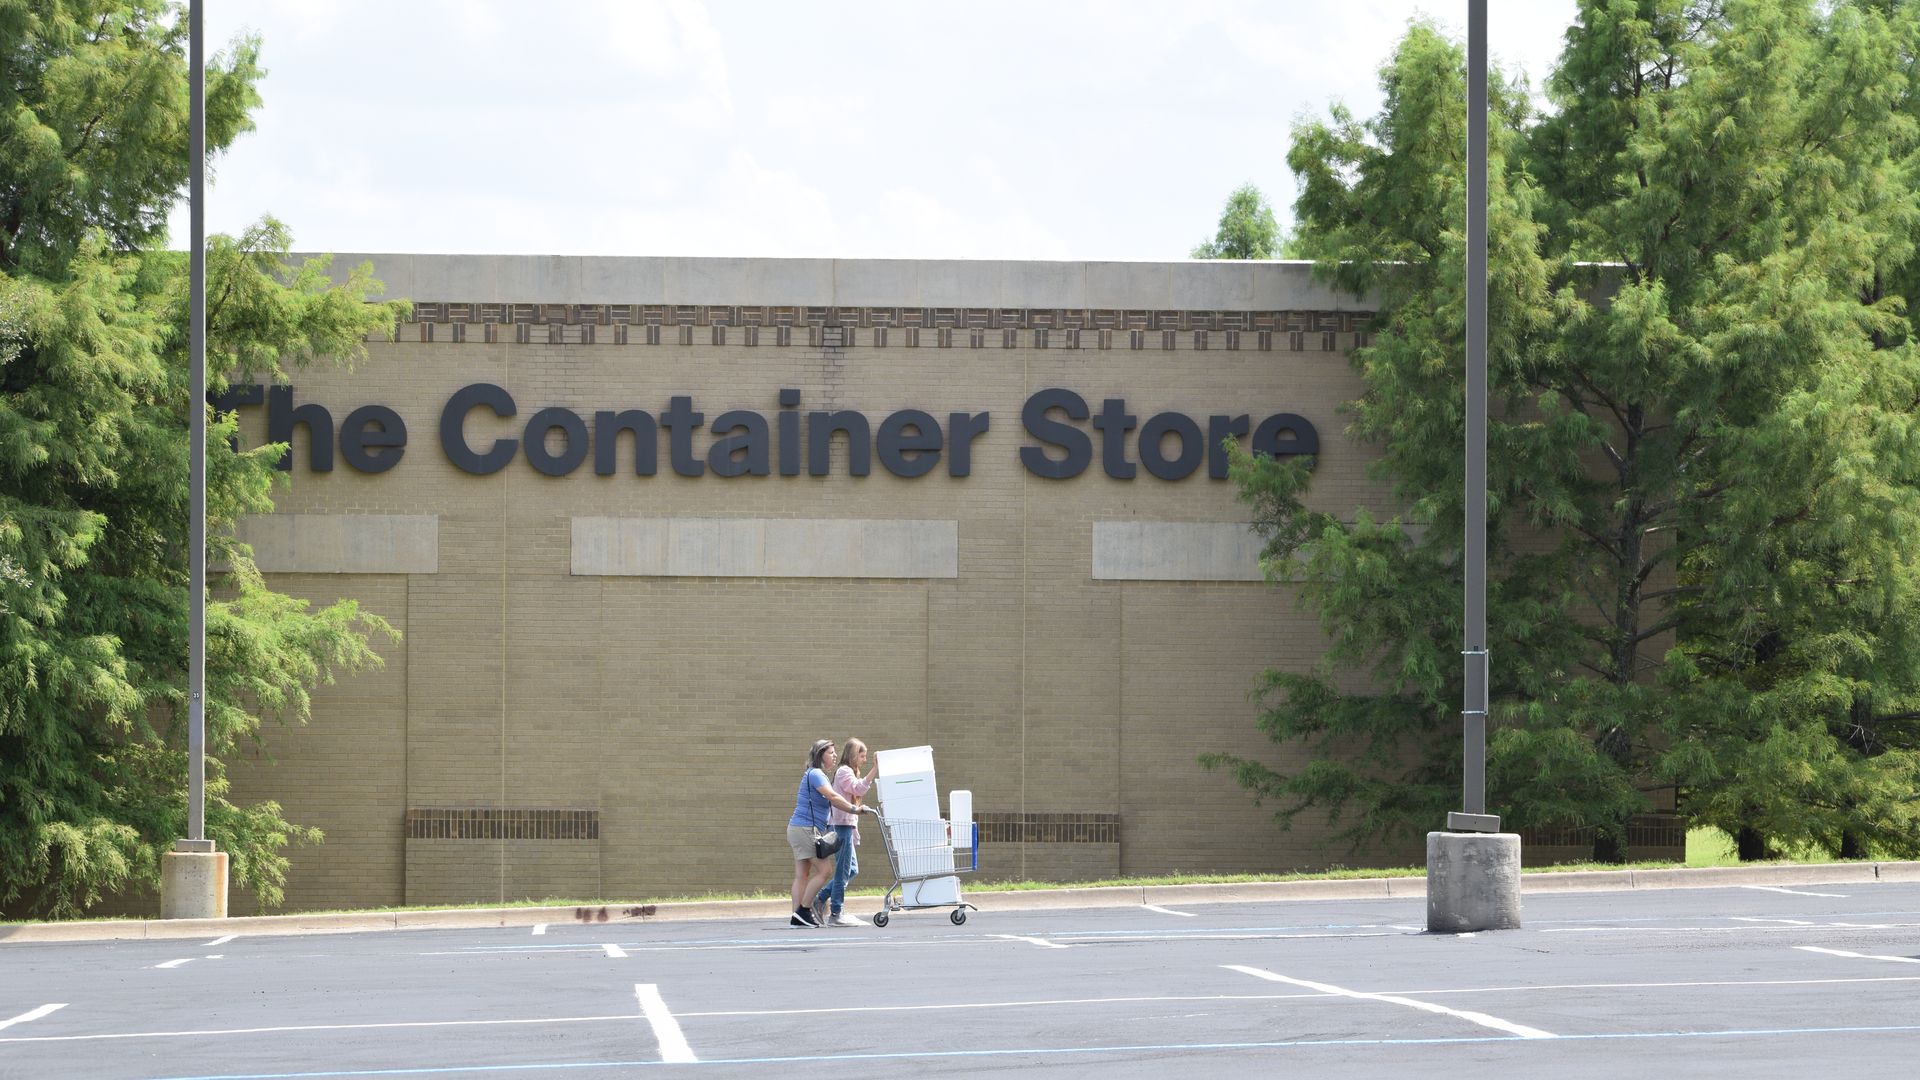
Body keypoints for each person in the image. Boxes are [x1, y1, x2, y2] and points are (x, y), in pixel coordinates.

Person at [786, 739, 865, 928]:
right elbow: (832, 796)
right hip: (806, 829)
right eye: (830, 752)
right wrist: (854, 809)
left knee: (802, 875)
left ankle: (797, 917)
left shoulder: (813, 774)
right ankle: (804, 911)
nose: (835, 755)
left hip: (798, 828)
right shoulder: (816, 774)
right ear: (820, 755)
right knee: (826, 870)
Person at [813, 737, 876, 926]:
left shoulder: (849, 771)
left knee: (852, 869)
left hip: (845, 826)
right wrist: (875, 769)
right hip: (841, 827)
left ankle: (821, 898)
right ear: (853, 755)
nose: (864, 760)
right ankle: (836, 912)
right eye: (862, 756)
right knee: (842, 871)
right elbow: (858, 788)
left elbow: (856, 789)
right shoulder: (843, 771)